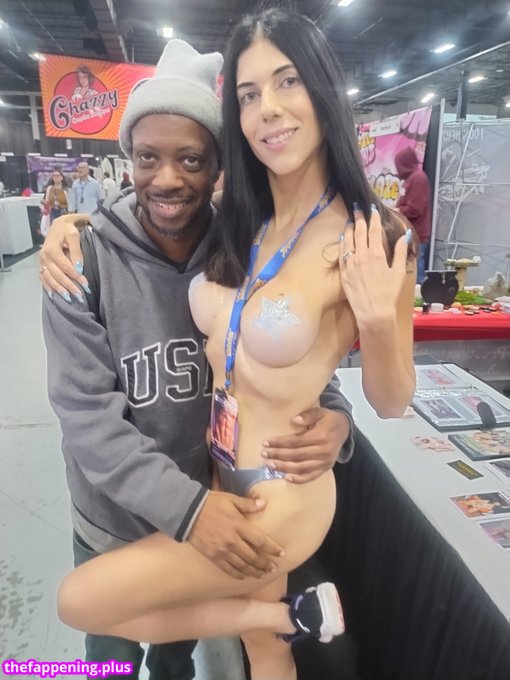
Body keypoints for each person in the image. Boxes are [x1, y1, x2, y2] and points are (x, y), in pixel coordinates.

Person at [47, 10, 416, 680]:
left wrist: (373, 341)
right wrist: (67, 225)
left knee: (84, 601)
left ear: (322, 89)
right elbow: (251, 353)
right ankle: (286, 618)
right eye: (249, 94)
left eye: (288, 81)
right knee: (255, 652)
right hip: (191, 488)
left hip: (275, 495)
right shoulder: (242, 223)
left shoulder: (371, 235)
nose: (268, 108)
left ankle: (280, 616)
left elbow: (383, 396)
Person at [394, 146, 431, 283]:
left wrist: (397, 211)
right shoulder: (411, 178)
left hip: (417, 234)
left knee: (416, 276)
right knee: (410, 272)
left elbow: (416, 209)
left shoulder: (418, 178)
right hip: (410, 232)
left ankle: (418, 295)